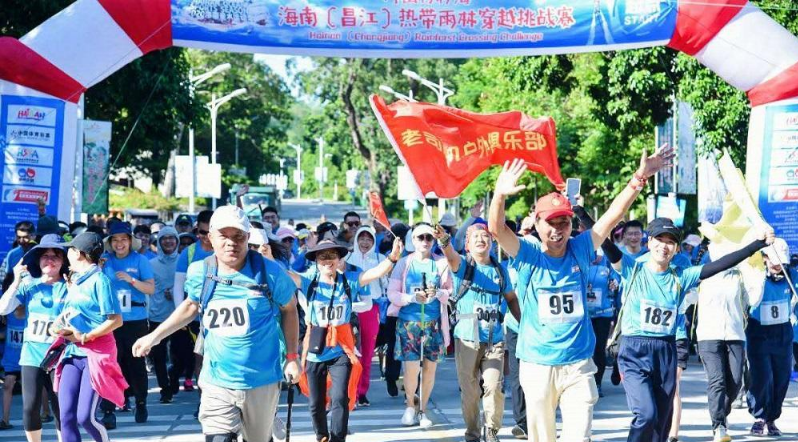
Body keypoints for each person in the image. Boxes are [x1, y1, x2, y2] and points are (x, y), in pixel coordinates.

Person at [487, 149, 674, 442]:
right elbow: (497, 230)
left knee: (579, 435)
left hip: (578, 364)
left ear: (572, 225)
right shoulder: (528, 253)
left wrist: (640, 178)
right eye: (551, 223)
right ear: (537, 223)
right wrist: (499, 195)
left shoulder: (581, 248)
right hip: (538, 364)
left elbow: (613, 216)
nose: (557, 230)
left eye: (564, 223)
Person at [133, 206, 300, 442]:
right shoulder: (200, 272)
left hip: (261, 378)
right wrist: (154, 337)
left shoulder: (270, 272)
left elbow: (289, 309)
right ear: (210, 237)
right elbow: (190, 306)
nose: (231, 243)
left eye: (238, 236)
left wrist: (292, 357)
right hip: (216, 379)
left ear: (248, 237)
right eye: (224, 236)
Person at [607, 217, 774, 442]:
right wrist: (582, 215)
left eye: (670, 242)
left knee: (661, 421)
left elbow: (722, 264)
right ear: (649, 242)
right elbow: (605, 244)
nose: (664, 246)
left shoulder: (682, 276)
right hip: (634, 350)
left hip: (666, 349)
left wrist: (757, 244)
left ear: (676, 248)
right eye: (659, 239)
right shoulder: (632, 268)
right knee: (646, 414)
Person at [289, 238, 401, 442]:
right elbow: (285, 275)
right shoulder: (308, 280)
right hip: (315, 350)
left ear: (339, 259)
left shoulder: (349, 281)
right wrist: (265, 256)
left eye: (332, 255)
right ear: (316, 261)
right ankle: (321, 436)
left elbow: (375, 273)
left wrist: (393, 257)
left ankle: (338, 438)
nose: (327, 260)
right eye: (322, 256)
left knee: (340, 397)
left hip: (341, 349)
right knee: (315, 403)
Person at [434, 223, 521, 442]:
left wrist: (525, 325)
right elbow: (450, 255)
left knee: (494, 386)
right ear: (468, 245)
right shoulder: (463, 265)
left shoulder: (500, 270)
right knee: (470, 392)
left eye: (485, 236)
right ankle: (472, 433)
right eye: (476, 237)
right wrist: (444, 240)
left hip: (494, 339)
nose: (481, 240)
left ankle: (491, 431)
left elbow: (511, 298)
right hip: (467, 338)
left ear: (492, 242)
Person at [53, 231, 126, 442]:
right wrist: (59, 328)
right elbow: (68, 316)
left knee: (85, 417)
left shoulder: (100, 280)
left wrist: (87, 336)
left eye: (69, 250)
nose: (66, 254)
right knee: (66, 417)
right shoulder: (74, 281)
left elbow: (116, 320)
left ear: (78, 253)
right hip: (72, 353)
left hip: (96, 355)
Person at [690, 241, 763, 442]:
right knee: (717, 381)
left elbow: (752, 300)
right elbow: (687, 298)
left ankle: (721, 412)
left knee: (735, 382)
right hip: (708, 336)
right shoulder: (703, 275)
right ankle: (719, 425)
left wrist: (758, 276)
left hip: (735, 334)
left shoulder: (739, 276)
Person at [0, 234, 67, 441]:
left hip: (61, 356)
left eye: (56, 255)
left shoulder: (69, 286)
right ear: (38, 260)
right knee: (30, 408)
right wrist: (16, 281)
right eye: (45, 255)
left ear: (63, 261)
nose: (50, 260)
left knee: (61, 408)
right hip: (32, 356)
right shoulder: (29, 285)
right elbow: (3, 309)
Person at [388, 223, 453, 429]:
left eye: (429, 237)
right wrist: (411, 298)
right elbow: (392, 293)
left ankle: (423, 409)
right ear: (413, 240)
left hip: (434, 323)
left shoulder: (441, 263)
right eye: (420, 237)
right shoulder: (404, 263)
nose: (425, 241)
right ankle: (410, 405)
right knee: (411, 368)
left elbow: (450, 291)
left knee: (430, 369)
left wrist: (439, 293)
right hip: (409, 323)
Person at [99, 221, 155, 427]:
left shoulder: (140, 260)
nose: (119, 243)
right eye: (115, 240)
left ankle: (141, 402)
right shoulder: (104, 260)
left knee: (136, 364)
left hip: (135, 319)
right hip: (111, 320)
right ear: (110, 242)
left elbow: (150, 289)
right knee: (111, 364)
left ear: (130, 241)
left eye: (124, 239)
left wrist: (131, 280)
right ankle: (108, 409)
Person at [746, 238, 796, 437]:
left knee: (781, 377)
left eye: (781, 262)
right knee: (762, 376)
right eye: (774, 261)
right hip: (759, 331)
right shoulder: (756, 276)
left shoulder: (792, 276)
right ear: (764, 258)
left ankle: (772, 418)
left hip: (782, 331)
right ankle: (759, 418)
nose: (778, 266)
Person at [172, 210, 214, 394]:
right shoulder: (188, 253)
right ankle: (204, 397)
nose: (205, 237)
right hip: (196, 317)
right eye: (201, 232)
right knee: (200, 357)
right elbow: (178, 286)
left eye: (210, 232)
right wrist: (180, 316)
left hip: (221, 316)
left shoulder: (227, 251)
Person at [346, 226, 388, 407]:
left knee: (368, 352)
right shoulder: (347, 258)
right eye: (361, 238)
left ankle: (362, 391)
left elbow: (386, 283)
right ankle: (351, 392)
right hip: (349, 310)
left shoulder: (380, 259)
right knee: (351, 352)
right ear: (356, 240)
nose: (365, 242)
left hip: (372, 309)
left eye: (369, 239)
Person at [147, 227, 180, 403]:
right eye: (164, 238)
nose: (168, 241)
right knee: (158, 356)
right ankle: (164, 389)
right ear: (159, 242)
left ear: (177, 241)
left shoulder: (183, 261)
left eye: (171, 238)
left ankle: (173, 377)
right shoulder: (150, 264)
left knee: (181, 355)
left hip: (180, 315)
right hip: (157, 315)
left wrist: (175, 291)